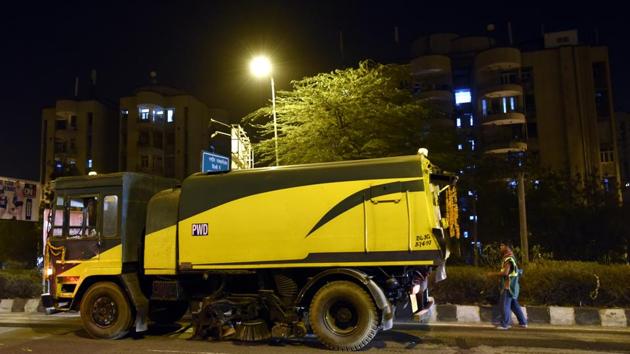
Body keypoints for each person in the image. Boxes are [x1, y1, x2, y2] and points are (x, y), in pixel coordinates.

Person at [487, 241, 527, 330]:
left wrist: (492, 274)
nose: (500, 247)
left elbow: (505, 273)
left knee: (504, 304)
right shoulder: (512, 257)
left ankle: (505, 324)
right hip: (513, 286)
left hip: (508, 286)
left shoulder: (508, 258)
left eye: (502, 245)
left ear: (507, 247)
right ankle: (523, 322)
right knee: (514, 305)